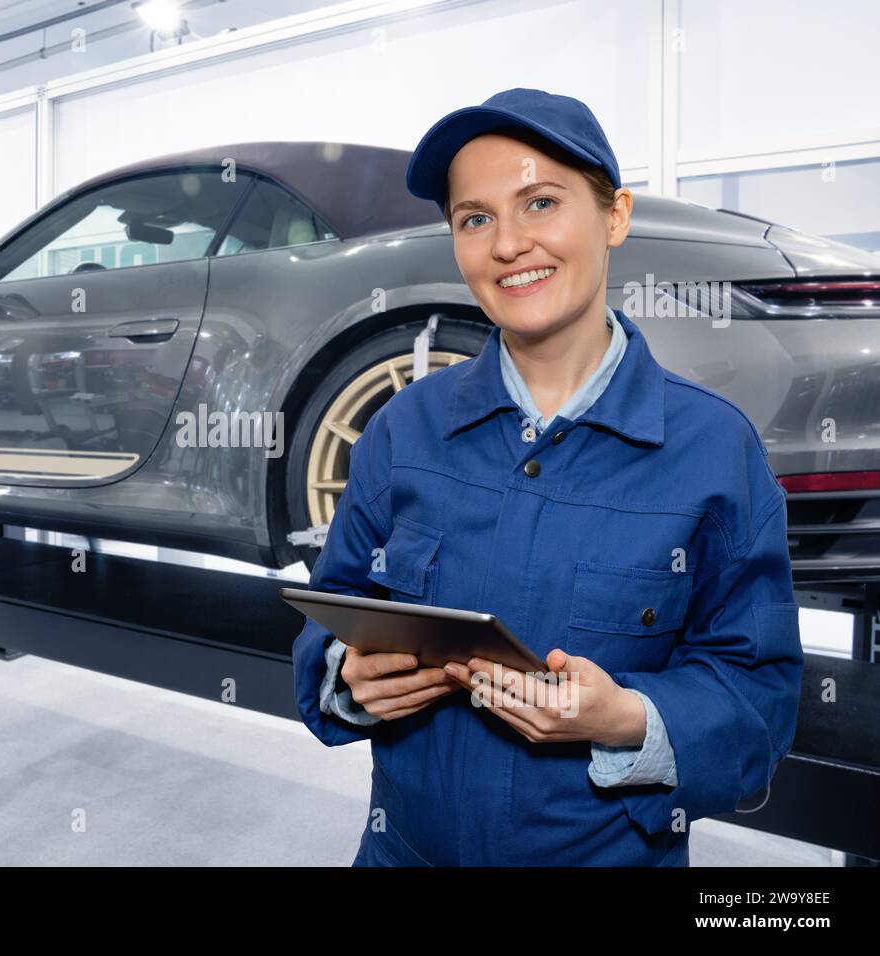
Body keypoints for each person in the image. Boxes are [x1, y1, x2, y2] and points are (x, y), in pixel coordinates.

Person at [291, 88, 804, 866]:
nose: (507, 244)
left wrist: (628, 717)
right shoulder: (404, 428)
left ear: (616, 216)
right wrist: (346, 676)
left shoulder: (713, 451)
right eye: (475, 218)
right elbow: (334, 616)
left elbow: (760, 702)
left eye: (539, 203)